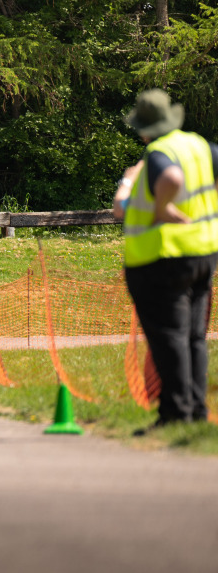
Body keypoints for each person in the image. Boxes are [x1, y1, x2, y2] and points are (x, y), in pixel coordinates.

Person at [113, 88, 218, 434]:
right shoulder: (199, 146)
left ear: (144, 128)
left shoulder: (157, 154)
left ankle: (175, 414)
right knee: (193, 338)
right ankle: (194, 412)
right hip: (202, 253)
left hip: (162, 258)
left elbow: (170, 180)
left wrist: (148, 199)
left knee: (169, 337)